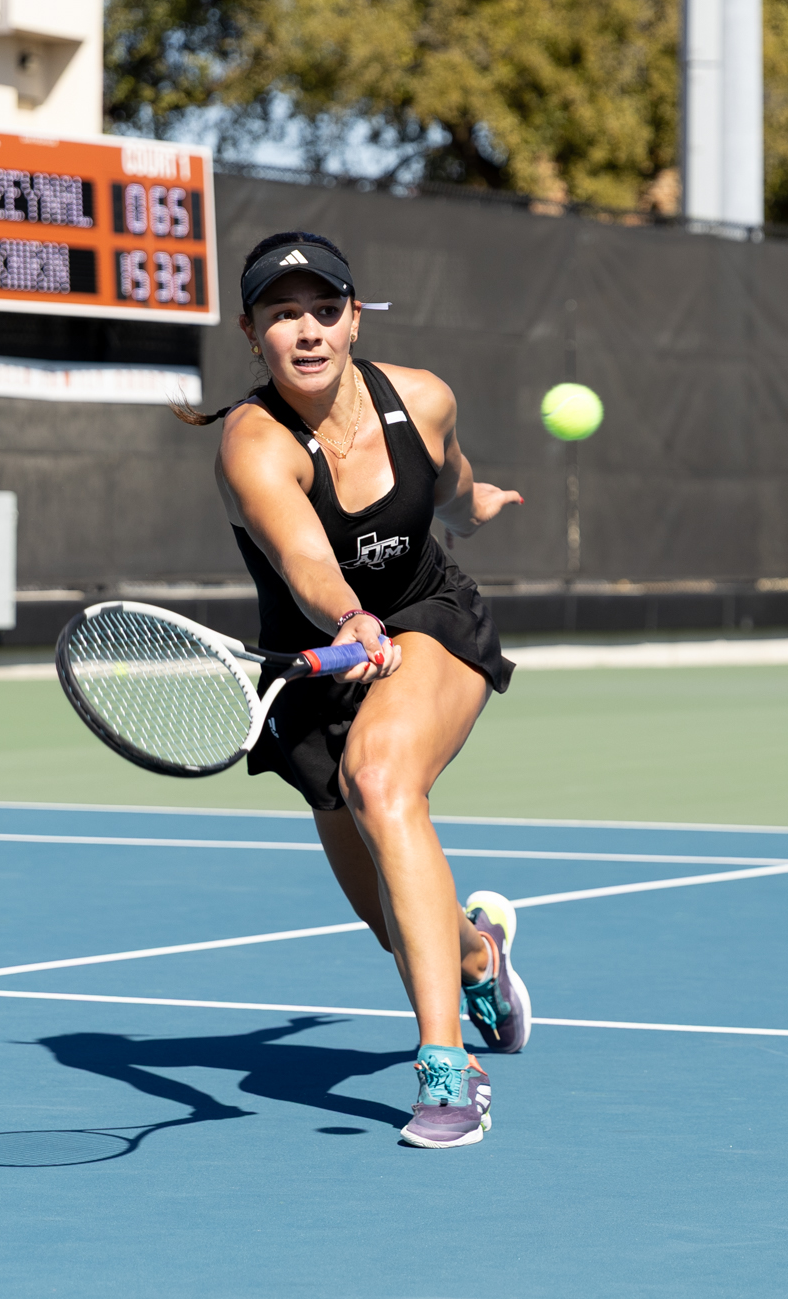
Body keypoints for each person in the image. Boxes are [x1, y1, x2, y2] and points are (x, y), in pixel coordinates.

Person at [176, 232, 528, 1149]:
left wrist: (476, 503)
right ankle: (478, 956)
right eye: (281, 313)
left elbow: (445, 478)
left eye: (324, 308)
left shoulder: (422, 395)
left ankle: (447, 1074)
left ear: (354, 315)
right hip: (318, 659)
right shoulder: (252, 446)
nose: (307, 329)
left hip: (427, 614)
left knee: (383, 781)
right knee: (395, 923)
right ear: (251, 334)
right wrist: (342, 615)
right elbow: (302, 557)